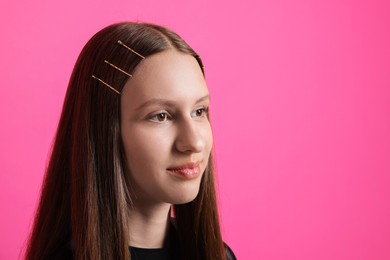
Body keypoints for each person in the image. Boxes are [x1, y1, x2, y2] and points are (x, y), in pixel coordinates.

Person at [25, 22, 236, 260]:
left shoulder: (219, 255)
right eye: (161, 116)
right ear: (104, 131)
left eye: (199, 111)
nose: (194, 142)